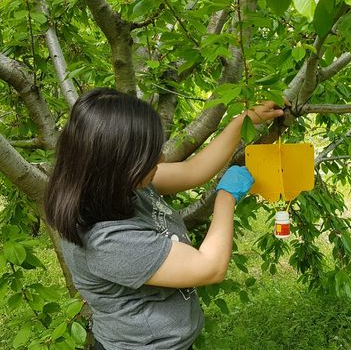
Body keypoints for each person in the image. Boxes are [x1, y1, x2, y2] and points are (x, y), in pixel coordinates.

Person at [44, 88, 284, 349]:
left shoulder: (114, 184)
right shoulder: (108, 240)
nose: (161, 159)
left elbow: (193, 170)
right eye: (150, 157)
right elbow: (210, 267)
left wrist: (243, 121)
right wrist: (226, 197)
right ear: (118, 163)